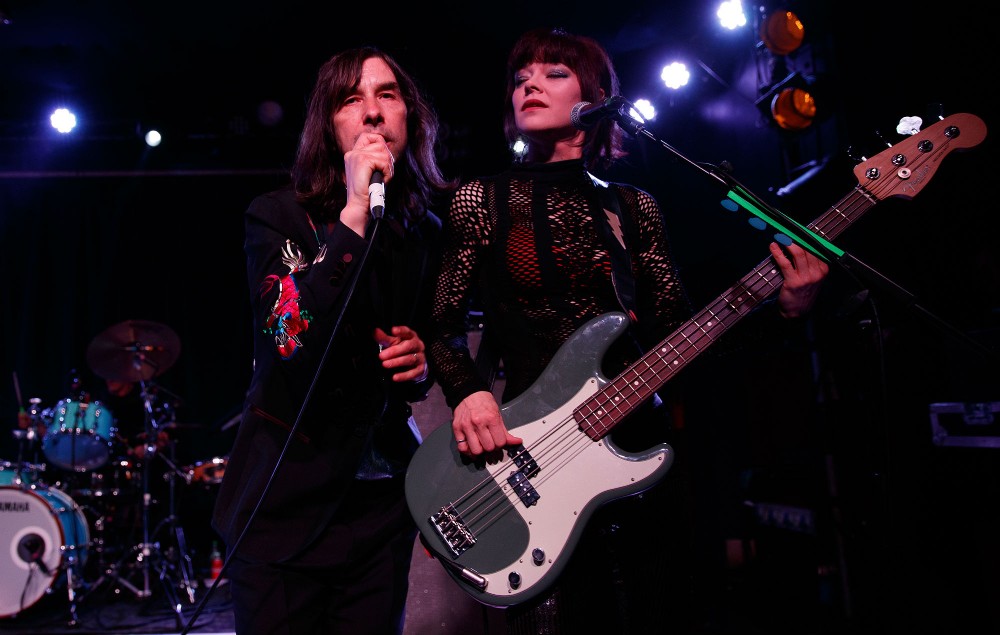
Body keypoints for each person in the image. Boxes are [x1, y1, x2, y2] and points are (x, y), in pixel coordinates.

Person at [426, 27, 830, 634]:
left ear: (595, 98)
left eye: (554, 73)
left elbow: (685, 338)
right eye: (520, 77)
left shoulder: (631, 207)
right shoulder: (481, 199)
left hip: (638, 454)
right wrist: (470, 393)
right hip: (534, 462)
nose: (529, 83)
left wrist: (785, 310)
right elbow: (441, 327)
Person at [210, 46, 455, 635]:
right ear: (329, 124)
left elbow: (430, 343)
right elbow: (285, 338)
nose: (372, 113)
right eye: (352, 99)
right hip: (283, 505)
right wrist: (352, 216)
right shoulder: (276, 216)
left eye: (387, 96)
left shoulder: (424, 231)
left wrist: (418, 362)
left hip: (379, 508)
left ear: (409, 119)